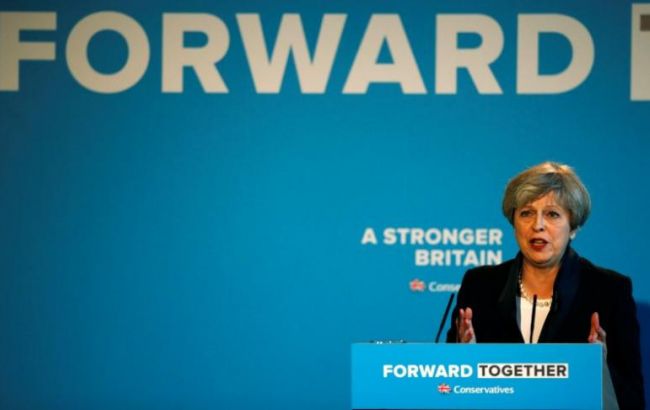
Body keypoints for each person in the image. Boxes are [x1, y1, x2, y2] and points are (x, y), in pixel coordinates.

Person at [446, 162, 645, 409]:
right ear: (514, 222)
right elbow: (448, 388)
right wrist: (463, 362)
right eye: (526, 213)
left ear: (573, 227)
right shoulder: (480, 285)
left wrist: (600, 371)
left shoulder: (608, 291)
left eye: (552, 214)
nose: (537, 225)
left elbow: (633, 400)